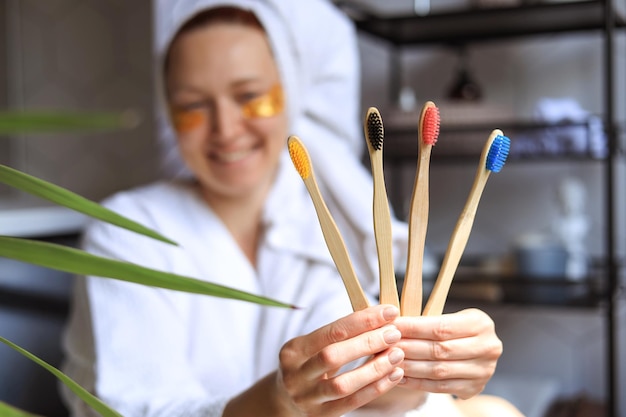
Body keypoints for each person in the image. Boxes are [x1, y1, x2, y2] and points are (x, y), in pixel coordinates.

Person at [61, 1, 523, 416]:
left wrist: (429, 370)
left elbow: (367, 378)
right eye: (193, 107)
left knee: (494, 411)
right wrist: (274, 404)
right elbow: (130, 405)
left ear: (291, 92)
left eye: (250, 97)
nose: (225, 128)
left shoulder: (340, 225)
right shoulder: (125, 233)